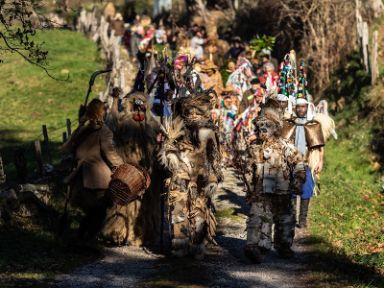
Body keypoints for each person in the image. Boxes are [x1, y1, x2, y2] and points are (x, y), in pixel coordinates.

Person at [245, 104, 306, 262]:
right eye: (260, 126)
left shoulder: (285, 146)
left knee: (285, 219)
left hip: (282, 190)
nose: (263, 129)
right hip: (261, 191)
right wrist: (250, 189)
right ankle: (254, 246)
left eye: (267, 125)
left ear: (275, 127)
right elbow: (249, 170)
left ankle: (284, 246)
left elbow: (299, 163)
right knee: (257, 216)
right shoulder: (255, 148)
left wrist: (298, 181)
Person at [63, 99, 123, 240]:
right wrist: (121, 166)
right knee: (99, 210)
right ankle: (88, 238)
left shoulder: (82, 130)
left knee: (91, 210)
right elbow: (110, 153)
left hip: (81, 177)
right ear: (101, 112)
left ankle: (82, 237)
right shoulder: (103, 131)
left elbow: (75, 151)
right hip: (98, 179)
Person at [282, 97, 325, 228]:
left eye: (303, 106)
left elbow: (320, 146)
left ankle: (302, 220)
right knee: (292, 191)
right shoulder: (289, 124)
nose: (300, 109)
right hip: (292, 162)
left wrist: (320, 161)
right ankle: (292, 217)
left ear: (307, 107)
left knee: (306, 191)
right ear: (295, 108)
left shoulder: (313, 124)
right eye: (298, 106)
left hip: (307, 162)